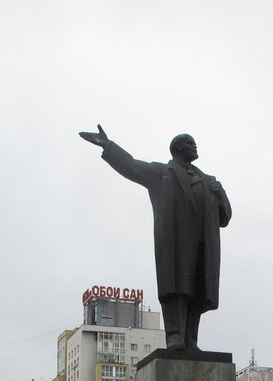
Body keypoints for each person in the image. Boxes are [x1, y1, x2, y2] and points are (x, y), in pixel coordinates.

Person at [79, 125, 232, 351]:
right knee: (177, 289)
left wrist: (220, 193)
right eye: (189, 142)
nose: (195, 146)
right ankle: (175, 337)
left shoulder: (209, 181)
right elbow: (131, 166)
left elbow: (224, 217)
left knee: (198, 291)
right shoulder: (162, 173)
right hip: (176, 243)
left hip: (203, 245)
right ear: (177, 149)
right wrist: (108, 145)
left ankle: (191, 340)